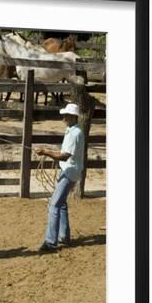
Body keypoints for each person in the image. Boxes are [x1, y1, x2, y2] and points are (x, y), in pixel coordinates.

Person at [35, 103, 85, 252]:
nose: (64, 118)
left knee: (54, 205)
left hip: (69, 172)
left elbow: (64, 156)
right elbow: (65, 153)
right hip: (71, 171)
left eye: (67, 115)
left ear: (73, 117)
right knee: (61, 204)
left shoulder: (75, 133)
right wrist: (49, 151)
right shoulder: (72, 131)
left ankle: (51, 242)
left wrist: (45, 152)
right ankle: (64, 237)